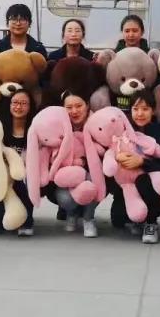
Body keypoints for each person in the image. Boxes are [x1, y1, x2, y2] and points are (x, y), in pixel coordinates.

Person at [108, 90, 160, 244]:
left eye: (145, 109)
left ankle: (150, 222)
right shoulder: (122, 132)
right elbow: (111, 151)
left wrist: (143, 162)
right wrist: (117, 158)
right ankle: (138, 217)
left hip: (153, 187)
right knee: (118, 220)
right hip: (127, 185)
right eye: (136, 109)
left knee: (143, 181)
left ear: (153, 111)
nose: (140, 114)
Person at [43, 91, 100, 237]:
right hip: (64, 178)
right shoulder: (56, 127)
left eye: (79, 106)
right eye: (69, 107)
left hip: (92, 174)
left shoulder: (97, 124)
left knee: (92, 184)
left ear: (87, 105)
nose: (74, 111)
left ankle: (88, 218)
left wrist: (84, 162)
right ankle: (72, 213)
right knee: (66, 199)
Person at [0, 88, 37, 236]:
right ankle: (2, 215)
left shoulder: (34, 128)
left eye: (23, 103)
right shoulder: (0, 127)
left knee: (23, 185)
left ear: (30, 107)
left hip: (25, 175)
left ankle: (27, 220)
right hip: (3, 175)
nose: (18, 107)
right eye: (15, 102)